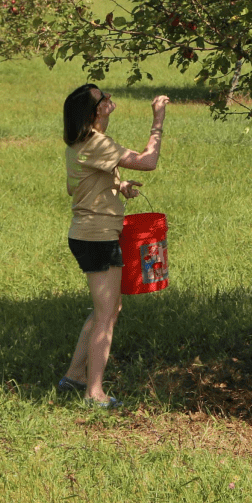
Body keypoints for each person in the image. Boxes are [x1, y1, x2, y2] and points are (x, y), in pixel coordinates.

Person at [57, 84, 169, 408]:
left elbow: (75, 185)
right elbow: (148, 161)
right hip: (97, 235)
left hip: (92, 233)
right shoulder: (95, 142)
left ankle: (76, 374)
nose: (108, 98)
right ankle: (94, 392)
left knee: (107, 309)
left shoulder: (86, 143)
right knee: (107, 315)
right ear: (93, 113)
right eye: (101, 98)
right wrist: (158, 118)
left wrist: (118, 184)